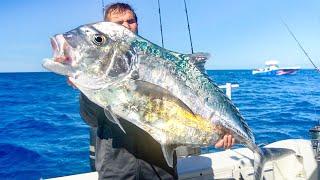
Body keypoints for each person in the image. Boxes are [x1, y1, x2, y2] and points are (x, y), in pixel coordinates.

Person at [79, 2, 235, 180]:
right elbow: (90, 118)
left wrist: (217, 133)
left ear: (137, 24)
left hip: (161, 169)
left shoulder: (161, 64)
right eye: (118, 23)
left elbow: (185, 111)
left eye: (130, 21)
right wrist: (85, 89)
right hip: (117, 170)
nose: (126, 26)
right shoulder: (97, 69)